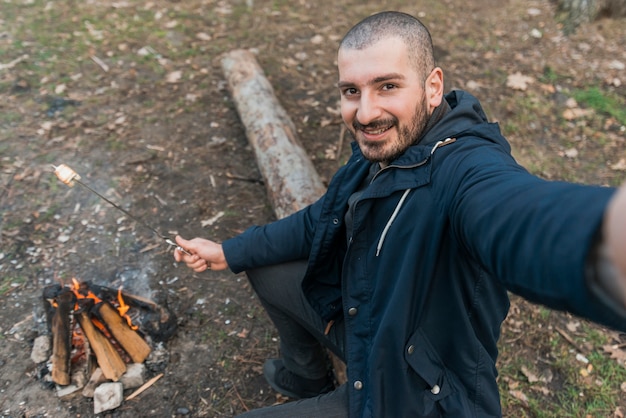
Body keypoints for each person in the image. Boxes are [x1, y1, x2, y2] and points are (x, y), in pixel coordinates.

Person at [174, 11, 626, 417]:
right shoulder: (383, 148)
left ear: (432, 87)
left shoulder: (464, 169)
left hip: (416, 394)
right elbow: (320, 220)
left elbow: (520, 218)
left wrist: (605, 244)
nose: (366, 113)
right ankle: (307, 376)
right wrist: (228, 251)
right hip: (373, 327)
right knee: (264, 267)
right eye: (352, 91)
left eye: (387, 86)